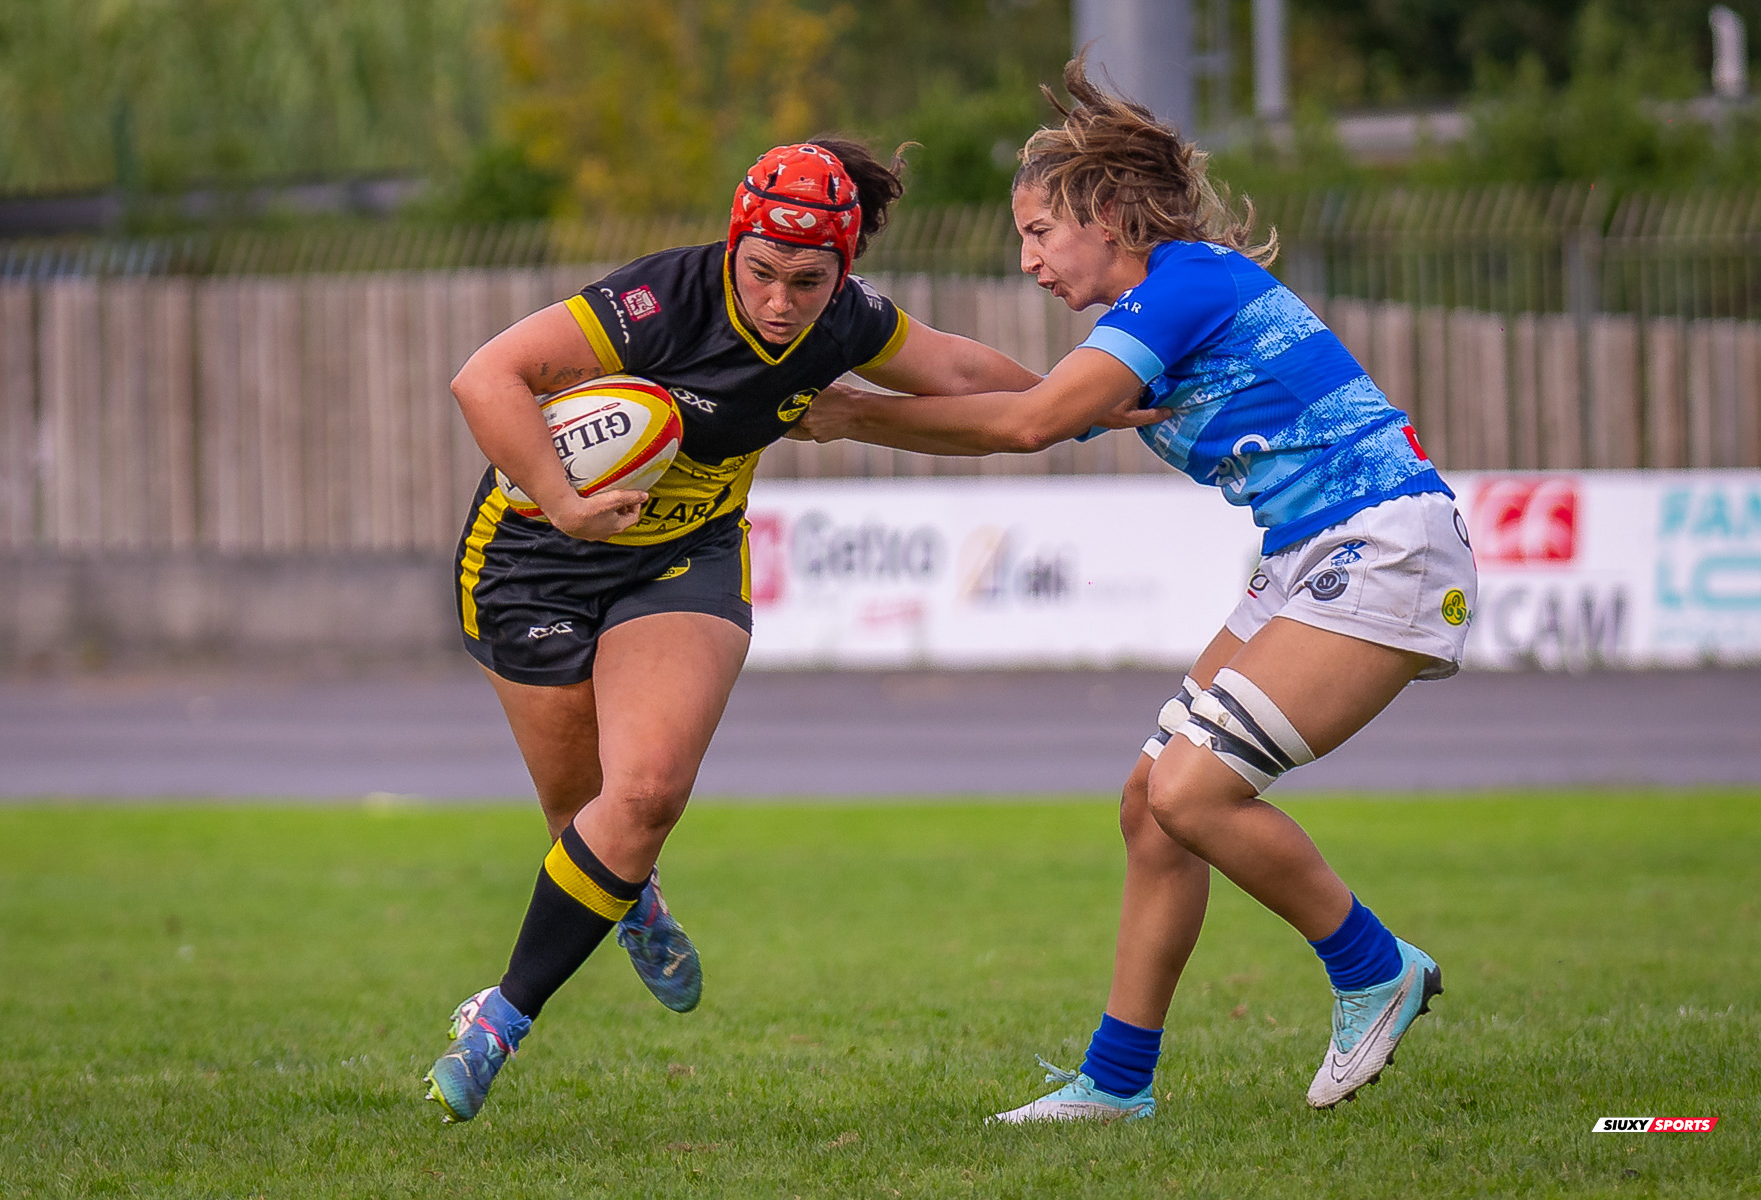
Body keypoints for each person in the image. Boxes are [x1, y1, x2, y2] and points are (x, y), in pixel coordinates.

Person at [794, 59, 1476, 1121]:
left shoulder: (1188, 286)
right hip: (1308, 555)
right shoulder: (1160, 309)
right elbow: (1032, 401)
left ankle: (1372, 967)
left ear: (1108, 215)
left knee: (1192, 793)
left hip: (1383, 543)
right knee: (1151, 812)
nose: (1025, 261)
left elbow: (1028, 423)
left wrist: (853, 415)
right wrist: (852, 392)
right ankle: (1116, 1087)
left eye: (1038, 233)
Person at [426, 138, 1045, 1123]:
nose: (780, 300)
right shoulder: (659, 303)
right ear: (732, 244)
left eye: (809, 280)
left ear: (844, 269)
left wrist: (1081, 405)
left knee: (646, 792)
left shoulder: (846, 322)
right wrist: (565, 500)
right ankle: (640, 904)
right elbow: (483, 378)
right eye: (760, 271)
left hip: (684, 556)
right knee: (581, 819)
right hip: (536, 556)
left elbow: (964, 369)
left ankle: (500, 1018)